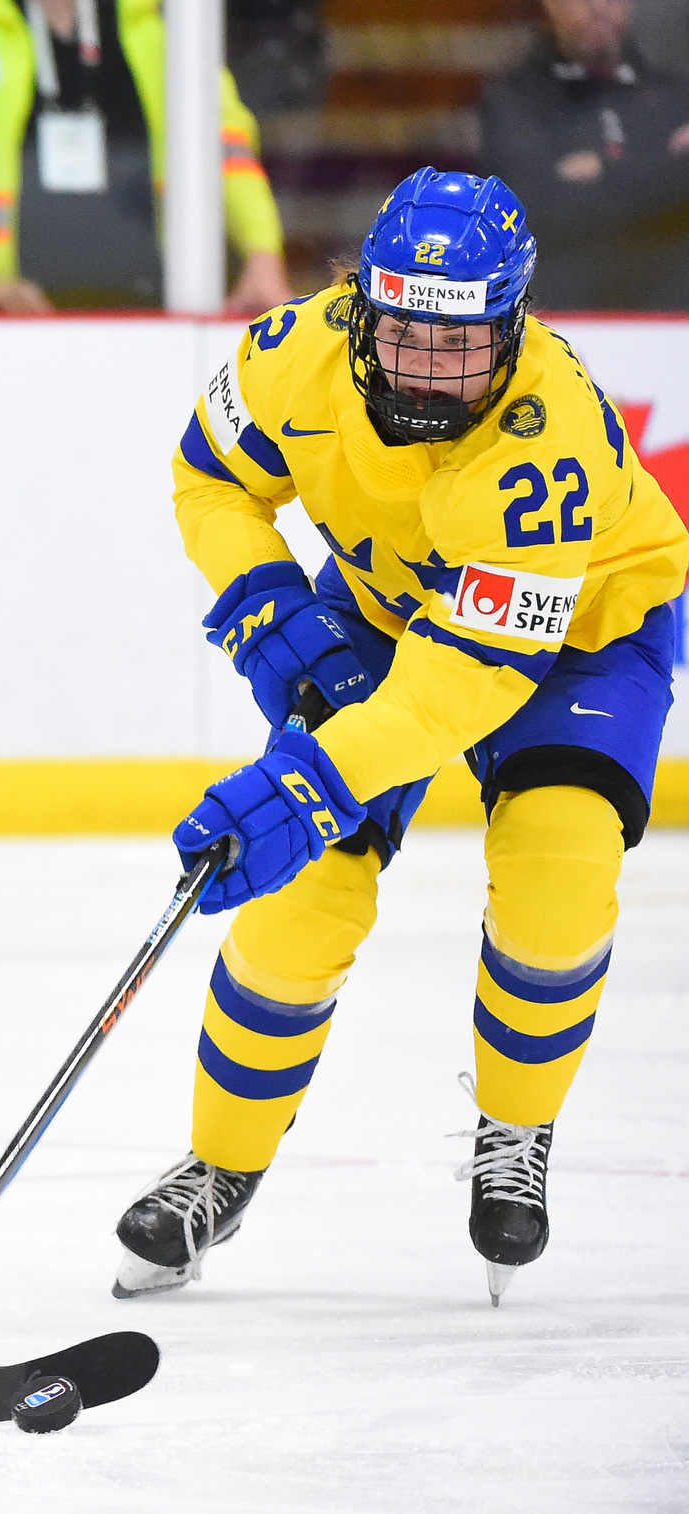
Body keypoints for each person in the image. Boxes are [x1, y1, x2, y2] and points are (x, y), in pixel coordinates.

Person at [111, 169, 686, 1306]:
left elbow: (457, 691)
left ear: (511, 321)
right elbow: (208, 478)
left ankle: (514, 1129)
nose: (424, 359)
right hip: (385, 612)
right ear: (361, 303)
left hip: (582, 630)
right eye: (402, 328)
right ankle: (218, 1160)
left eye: (456, 338)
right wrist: (266, 599)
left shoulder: (544, 448)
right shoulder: (292, 354)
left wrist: (309, 779)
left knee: (556, 875)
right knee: (300, 898)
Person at [0, 0, 291, 315]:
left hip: (155, 312)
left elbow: (222, 143)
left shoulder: (160, 16)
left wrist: (263, 254)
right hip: (8, 316)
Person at [480, 0, 689, 310]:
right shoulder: (514, 98)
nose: (598, 7)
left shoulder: (672, 94)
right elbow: (534, 209)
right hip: (563, 315)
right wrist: (664, 166)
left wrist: (601, 169)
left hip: (670, 319)